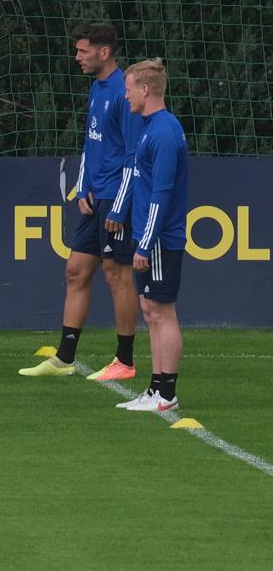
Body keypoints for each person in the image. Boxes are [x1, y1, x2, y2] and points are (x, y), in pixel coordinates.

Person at [21, 24, 142, 379]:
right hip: (94, 195)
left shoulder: (124, 91)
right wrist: (82, 185)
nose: (77, 57)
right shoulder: (97, 89)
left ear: (103, 53)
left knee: (116, 276)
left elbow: (133, 155)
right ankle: (64, 358)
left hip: (117, 197)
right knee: (75, 270)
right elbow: (93, 142)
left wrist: (119, 206)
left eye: (82, 51)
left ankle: (125, 361)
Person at [115, 59, 189, 412]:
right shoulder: (151, 127)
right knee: (150, 310)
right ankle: (156, 389)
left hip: (158, 238)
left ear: (145, 90)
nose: (125, 94)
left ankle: (166, 394)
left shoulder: (162, 132)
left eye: (129, 88)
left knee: (161, 311)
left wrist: (145, 242)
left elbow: (162, 193)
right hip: (149, 234)